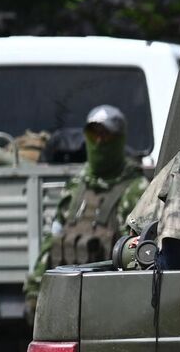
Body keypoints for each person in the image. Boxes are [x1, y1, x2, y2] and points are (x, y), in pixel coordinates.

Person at [24, 105, 146, 311]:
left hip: (111, 301)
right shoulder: (76, 186)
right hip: (67, 299)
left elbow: (136, 254)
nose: (98, 142)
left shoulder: (136, 189)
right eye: (93, 134)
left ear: (118, 140)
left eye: (106, 135)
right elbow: (53, 238)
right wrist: (35, 288)